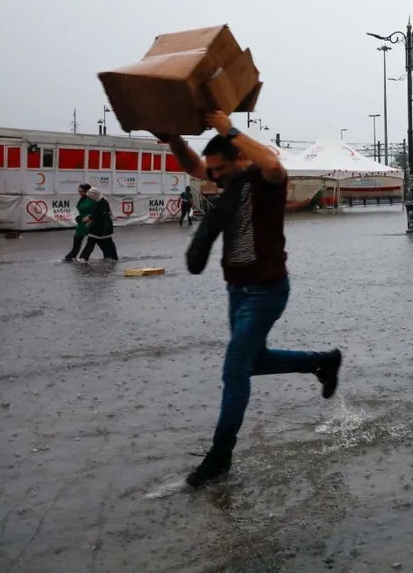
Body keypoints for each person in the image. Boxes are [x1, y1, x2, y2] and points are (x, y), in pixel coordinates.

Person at [157, 111, 342, 490]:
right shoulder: (231, 180)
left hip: (266, 290)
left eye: (221, 169)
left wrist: (227, 127)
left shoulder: (266, 179)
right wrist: (173, 136)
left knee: (235, 370)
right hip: (236, 290)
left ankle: (219, 457)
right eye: (215, 172)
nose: (216, 177)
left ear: (241, 158)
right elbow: (195, 166)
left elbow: (272, 162)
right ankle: (322, 362)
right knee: (253, 361)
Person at [79, 187, 119, 261]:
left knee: (103, 243)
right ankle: (111, 257)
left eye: (91, 197)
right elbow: (96, 212)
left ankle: (113, 257)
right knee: (97, 243)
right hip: (99, 227)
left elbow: (99, 214)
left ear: (94, 195)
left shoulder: (103, 202)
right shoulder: (99, 201)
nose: (90, 199)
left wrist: (88, 219)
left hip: (103, 227)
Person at [64, 183, 95, 261]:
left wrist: (90, 218)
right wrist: (79, 217)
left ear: (87, 191)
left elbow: (97, 211)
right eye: (79, 191)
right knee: (77, 243)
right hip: (81, 224)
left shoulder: (93, 199)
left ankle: (78, 257)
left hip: (90, 223)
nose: (80, 193)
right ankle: (70, 257)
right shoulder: (82, 199)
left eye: (82, 191)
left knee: (95, 243)